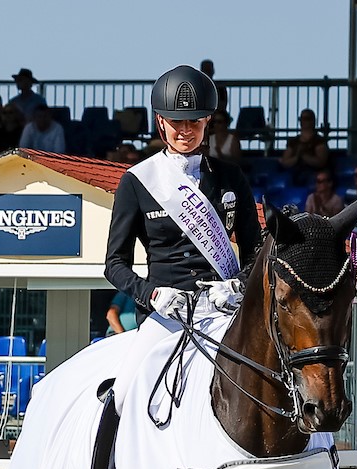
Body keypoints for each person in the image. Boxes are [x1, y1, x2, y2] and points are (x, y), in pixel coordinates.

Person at [105, 65, 261, 345]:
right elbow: (115, 264)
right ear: (161, 122)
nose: (186, 131)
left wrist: (238, 285)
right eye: (177, 122)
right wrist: (151, 294)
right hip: (163, 314)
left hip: (223, 310)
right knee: (136, 381)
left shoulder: (231, 177)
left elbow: (255, 251)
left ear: (207, 121)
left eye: (194, 122)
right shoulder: (137, 181)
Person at [276, 109, 329, 175]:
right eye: (301, 118)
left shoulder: (319, 140)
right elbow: (285, 162)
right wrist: (298, 157)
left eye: (307, 118)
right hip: (294, 174)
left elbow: (321, 162)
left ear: (313, 121)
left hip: (313, 174)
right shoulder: (293, 141)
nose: (303, 121)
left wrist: (303, 156)